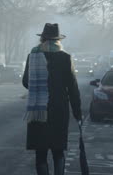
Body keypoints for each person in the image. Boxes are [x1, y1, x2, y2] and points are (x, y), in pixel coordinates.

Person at [22, 23, 82, 175]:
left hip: (38, 109)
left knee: (41, 153)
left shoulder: (33, 56)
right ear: (58, 40)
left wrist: (38, 88)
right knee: (58, 151)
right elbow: (73, 88)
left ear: (42, 38)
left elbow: (26, 81)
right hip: (59, 110)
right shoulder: (66, 58)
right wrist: (77, 112)